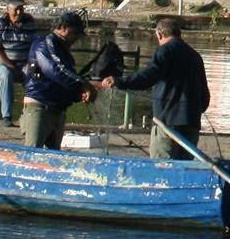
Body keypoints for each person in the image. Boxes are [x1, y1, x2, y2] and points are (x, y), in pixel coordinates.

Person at [110, 16, 211, 158]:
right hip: (191, 121)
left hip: (168, 122)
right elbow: (204, 94)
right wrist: (196, 111)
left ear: (159, 34)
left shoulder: (164, 51)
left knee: (162, 166)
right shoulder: (195, 56)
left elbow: (148, 77)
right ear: (179, 33)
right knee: (184, 169)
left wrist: (120, 81)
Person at [19, 10, 99, 148]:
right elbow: (56, 70)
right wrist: (82, 84)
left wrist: (79, 95)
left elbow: (64, 79)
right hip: (39, 107)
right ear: (62, 28)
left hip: (57, 109)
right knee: (32, 153)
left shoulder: (63, 51)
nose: (76, 38)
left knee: (53, 157)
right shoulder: (44, 43)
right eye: (74, 33)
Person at [0, 0, 38, 126]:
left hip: (25, 63)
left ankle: (30, 114)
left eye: (21, 8)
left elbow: (35, 46)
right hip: (4, 62)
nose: (19, 12)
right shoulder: (0, 23)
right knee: (5, 76)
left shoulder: (30, 22)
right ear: (8, 9)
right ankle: (7, 116)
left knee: (35, 77)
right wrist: (11, 66)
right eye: (16, 9)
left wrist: (32, 64)